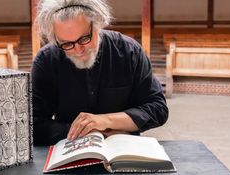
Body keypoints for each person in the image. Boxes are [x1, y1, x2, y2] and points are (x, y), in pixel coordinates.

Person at [32, 0, 168, 145]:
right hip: (69, 150)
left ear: (97, 24)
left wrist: (106, 121)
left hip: (124, 150)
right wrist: (92, 132)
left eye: (84, 38)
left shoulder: (129, 51)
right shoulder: (46, 60)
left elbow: (158, 109)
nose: (78, 51)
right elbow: (34, 124)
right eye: (66, 44)